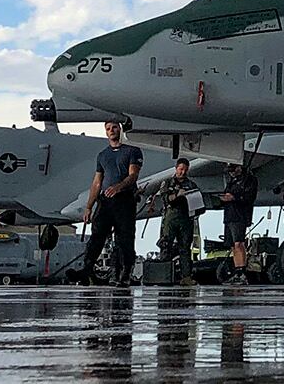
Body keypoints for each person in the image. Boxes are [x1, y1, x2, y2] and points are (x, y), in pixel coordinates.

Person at [81, 121, 143, 283]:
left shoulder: (132, 151)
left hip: (124, 200)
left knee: (124, 238)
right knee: (97, 235)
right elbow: (97, 182)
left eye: (114, 127)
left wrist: (119, 187)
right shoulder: (103, 155)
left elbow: (133, 175)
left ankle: (125, 272)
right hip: (105, 201)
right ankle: (86, 270)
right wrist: (88, 206)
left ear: (120, 129)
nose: (111, 131)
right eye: (108, 129)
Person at [152, 159, 200, 277]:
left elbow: (198, 202)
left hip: (186, 219)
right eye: (180, 169)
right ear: (176, 168)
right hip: (171, 218)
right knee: (166, 245)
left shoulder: (191, 185)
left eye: (185, 170)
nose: (183, 172)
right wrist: (178, 195)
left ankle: (186, 276)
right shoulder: (168, 183)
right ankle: (164, 275)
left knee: (185, 248)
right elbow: (165, 198)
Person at [218, 161, 258, 281]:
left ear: (239, 168)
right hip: (229, 215)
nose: (231, 173)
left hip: (240, 215)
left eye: (233, 170)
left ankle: (241, 272)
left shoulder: (249, 180)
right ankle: (237, 271)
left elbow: (250, 197)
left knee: (238, 243)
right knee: (233, 246)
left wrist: (234, 197)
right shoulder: (231, 181)